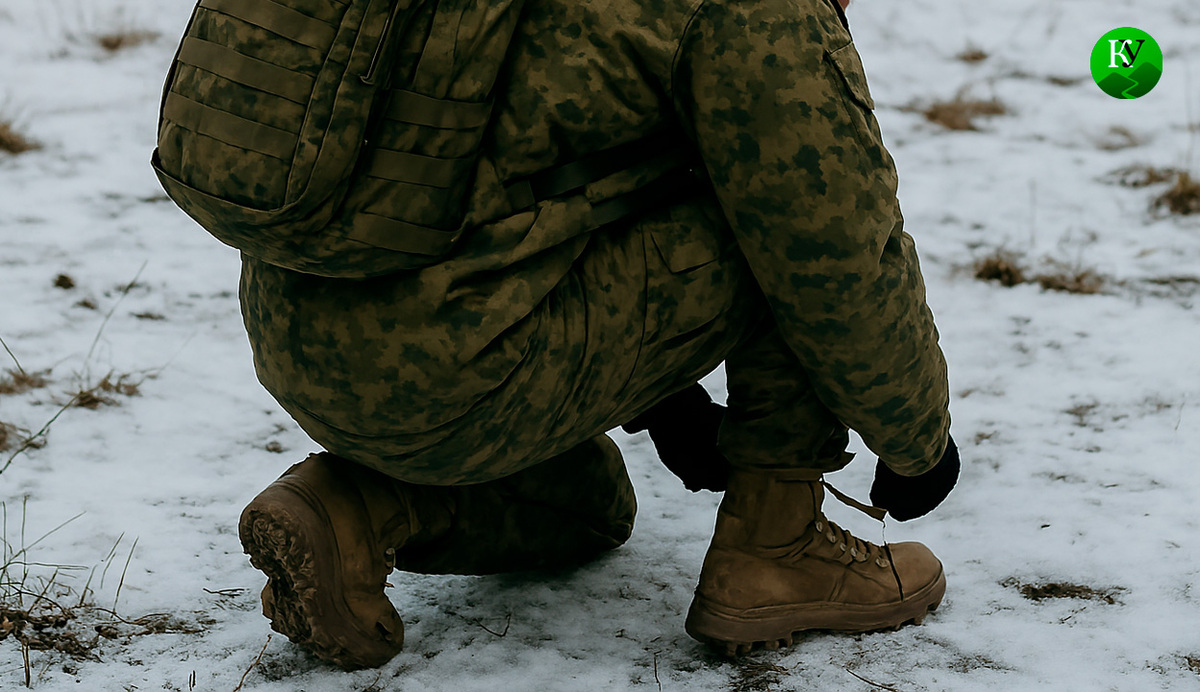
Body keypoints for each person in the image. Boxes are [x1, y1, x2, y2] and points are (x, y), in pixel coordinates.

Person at [234, 0, 958, 670]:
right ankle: (776, 546)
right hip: (461, 357)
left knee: (588, 504)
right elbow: (836, 251)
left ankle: (358, 507)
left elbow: (533, 167)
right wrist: (917, 441)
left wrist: (668, 404)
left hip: (300, 329)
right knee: (780, 208)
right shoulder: (756, 12)